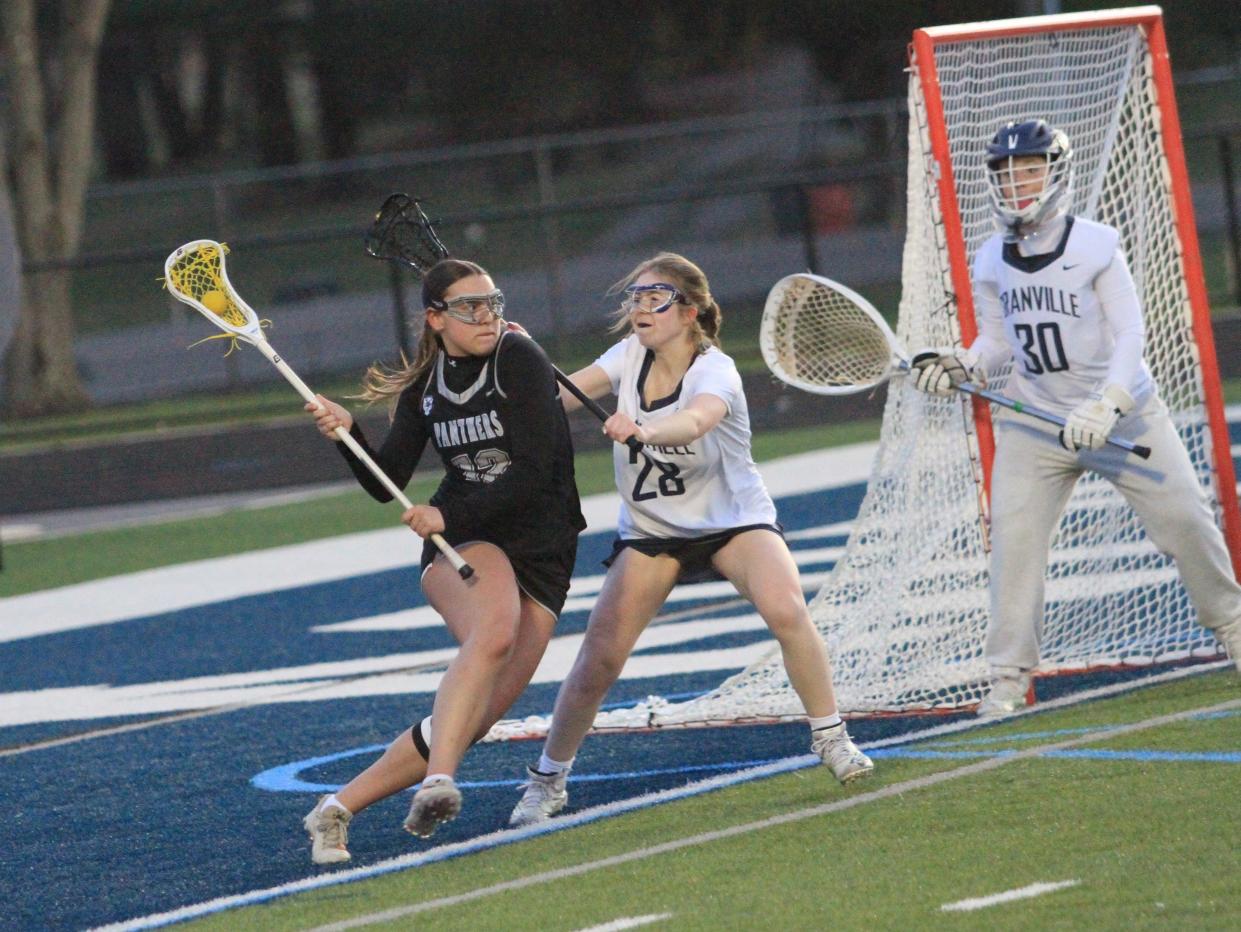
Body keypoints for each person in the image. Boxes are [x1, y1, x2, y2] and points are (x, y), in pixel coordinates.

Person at [508, 252, 873, 827]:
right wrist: (523, 361)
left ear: (691, 311)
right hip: (654, 532)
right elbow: (557, 396)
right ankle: (548, 778)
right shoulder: (628, 357)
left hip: (733, 521)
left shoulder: (715, 370)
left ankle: (830, 737)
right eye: (636, 298)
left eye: (656, 297)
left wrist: (644, 429)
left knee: (787, 608)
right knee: (598, 660)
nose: (641, 309)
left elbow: (697, 421)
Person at [910, 118, 1241, 717]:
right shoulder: (991, 259)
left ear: (1055, 174)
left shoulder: (1095, 244)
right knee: (1013, 542)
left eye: (1030, 169)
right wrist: (961, 364)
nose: (1018, 183)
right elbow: (995, 342)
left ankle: (1234, 628)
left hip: (1121, 415)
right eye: (1007, 173)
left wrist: (1108, 401)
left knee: (1186, 520)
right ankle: (1008, 678)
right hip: (1036, 421)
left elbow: (1131, 332)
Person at [301, 258, 586, 863]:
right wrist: (351, 436)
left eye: (492, 302)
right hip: (468, 542)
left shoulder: (520, 360)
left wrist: (445, 515)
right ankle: (438, 783)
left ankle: (335, 809)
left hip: (544, 544)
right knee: (492, 631)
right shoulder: (426, 387)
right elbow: (389, 482)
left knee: (473, 719)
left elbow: (536, 475)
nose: (486, 315)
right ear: (435, 319)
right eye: (469, 307)